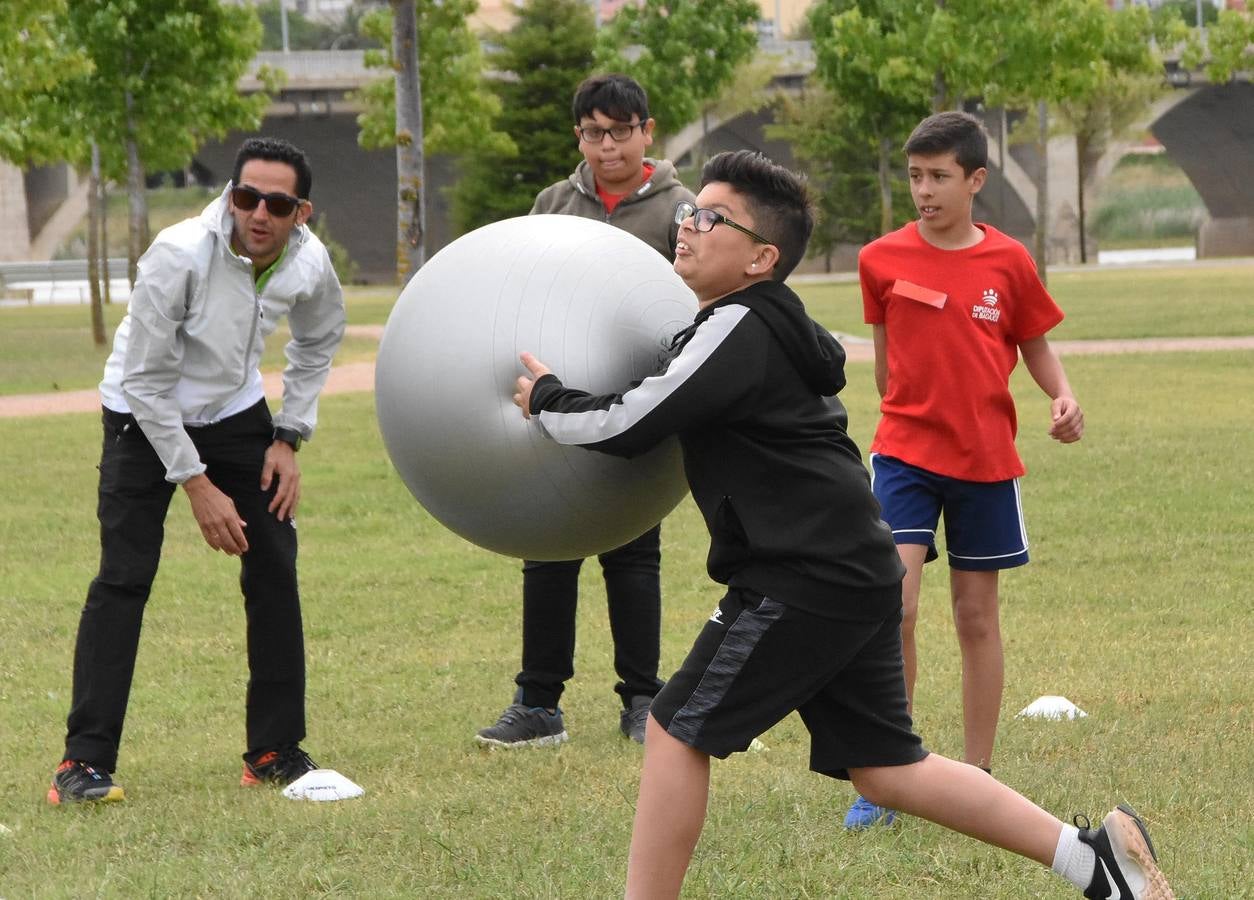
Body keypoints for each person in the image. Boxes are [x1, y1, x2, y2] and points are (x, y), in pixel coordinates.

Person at [511, 150, 1171, 900]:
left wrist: (549, 400)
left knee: (674, 727)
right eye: (691, 211)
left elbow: (637, 419)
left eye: (711, 218)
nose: (687, 225)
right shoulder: (751, 325)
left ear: (762, 258)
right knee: (888, 770)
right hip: (855, 570)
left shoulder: (739, 325)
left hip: (804, 574)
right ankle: (1096, 861)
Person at [47, 137, 346, 804]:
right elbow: (147, 382)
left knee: (273, 563)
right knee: (123, 577)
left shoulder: (309, 261)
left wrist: (288, 435)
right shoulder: (179, 254)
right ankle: (82, 764)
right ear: (230, 195)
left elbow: (321, 334)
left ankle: (273, 750)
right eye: (244, 196)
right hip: (139, 413)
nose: (257, 214)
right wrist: (196, 483)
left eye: (276, 202)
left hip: (235, 412)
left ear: (302, 212)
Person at [844, 110, 1085, 829]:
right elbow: (887, 362)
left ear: (976, 180)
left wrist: (1063, 396)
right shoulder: (879, 258)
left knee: (976, 617)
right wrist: (906, 412)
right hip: (905, 455)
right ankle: (891, 773)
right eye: (916, 176)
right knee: (896, 604)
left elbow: (1035, 344)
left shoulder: (1009, 261)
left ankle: (976, 776)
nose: (924, 190)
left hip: (985, 459)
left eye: (939, 177)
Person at [476, 73, 695, 748]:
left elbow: (690, 303)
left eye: (621, 131)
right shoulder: (553, 203)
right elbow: (522, 287)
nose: (608, 146)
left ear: (646, 132)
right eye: (595, 133)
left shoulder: (679, 208)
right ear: (580, 137)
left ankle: (643, 700)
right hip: (557, 403)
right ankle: (539, 702)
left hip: (637, 409)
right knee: (547, 550)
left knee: (633, 552)